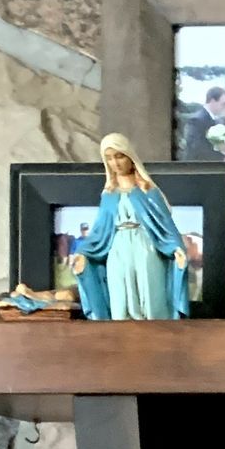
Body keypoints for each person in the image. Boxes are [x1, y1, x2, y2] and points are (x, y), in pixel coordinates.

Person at [69, 134, 190, 320]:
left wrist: (176, 247)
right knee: (120, 297)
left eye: (119, 156)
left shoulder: (147, 190)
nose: (115, 163)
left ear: (130, 157)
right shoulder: (109, 195)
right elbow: (99, 231)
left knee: (149, 295)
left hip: (145, 247)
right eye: (109, 158)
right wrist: (82, 253)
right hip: (118, 250)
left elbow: (164, 225)